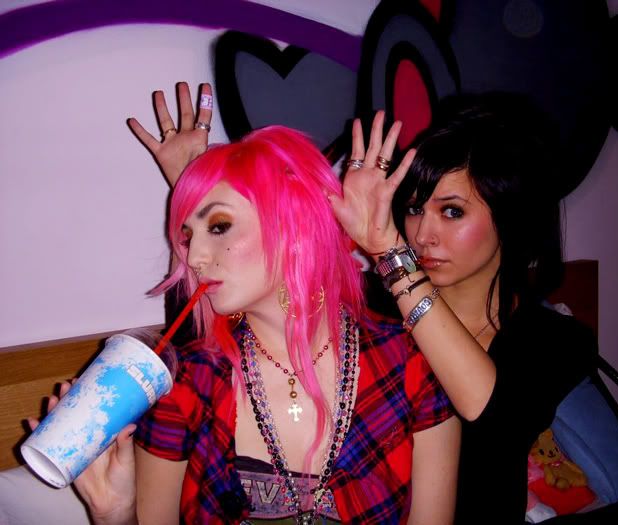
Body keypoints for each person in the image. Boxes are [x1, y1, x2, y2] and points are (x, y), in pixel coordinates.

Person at [33, 101, 467, 524]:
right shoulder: (187, 383)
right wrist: (114, 515)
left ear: (294, 226)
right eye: (187, 236)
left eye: (219, 226)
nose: (194, 256)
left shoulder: (409, 364)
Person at [330, 92, 598, 523]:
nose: (423, 235)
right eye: (414, 209)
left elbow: (491, 417)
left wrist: (390, 255)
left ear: (511, 219)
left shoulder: (556, 340)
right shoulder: (369, 306)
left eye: (452, 212)